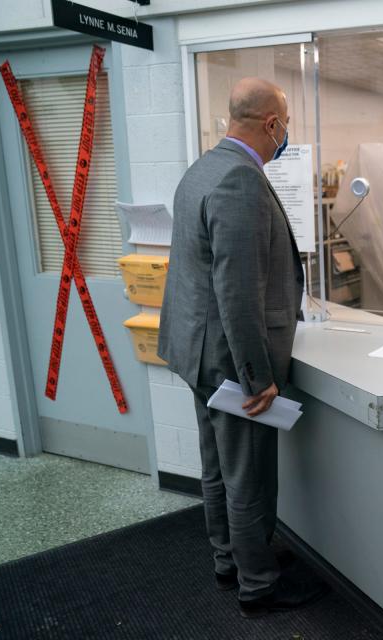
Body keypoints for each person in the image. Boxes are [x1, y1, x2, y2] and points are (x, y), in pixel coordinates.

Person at [158, 78, 321, 618]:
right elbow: (237, 292)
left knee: (215, 463)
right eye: (287, 122)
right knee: (248, 472)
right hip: (230, 360)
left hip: (196, 352)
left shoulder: (202, 169)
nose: (287, 133)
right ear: (271, 123)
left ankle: (228, 558)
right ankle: (259, 584)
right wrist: (258, 376)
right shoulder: (239, 181)